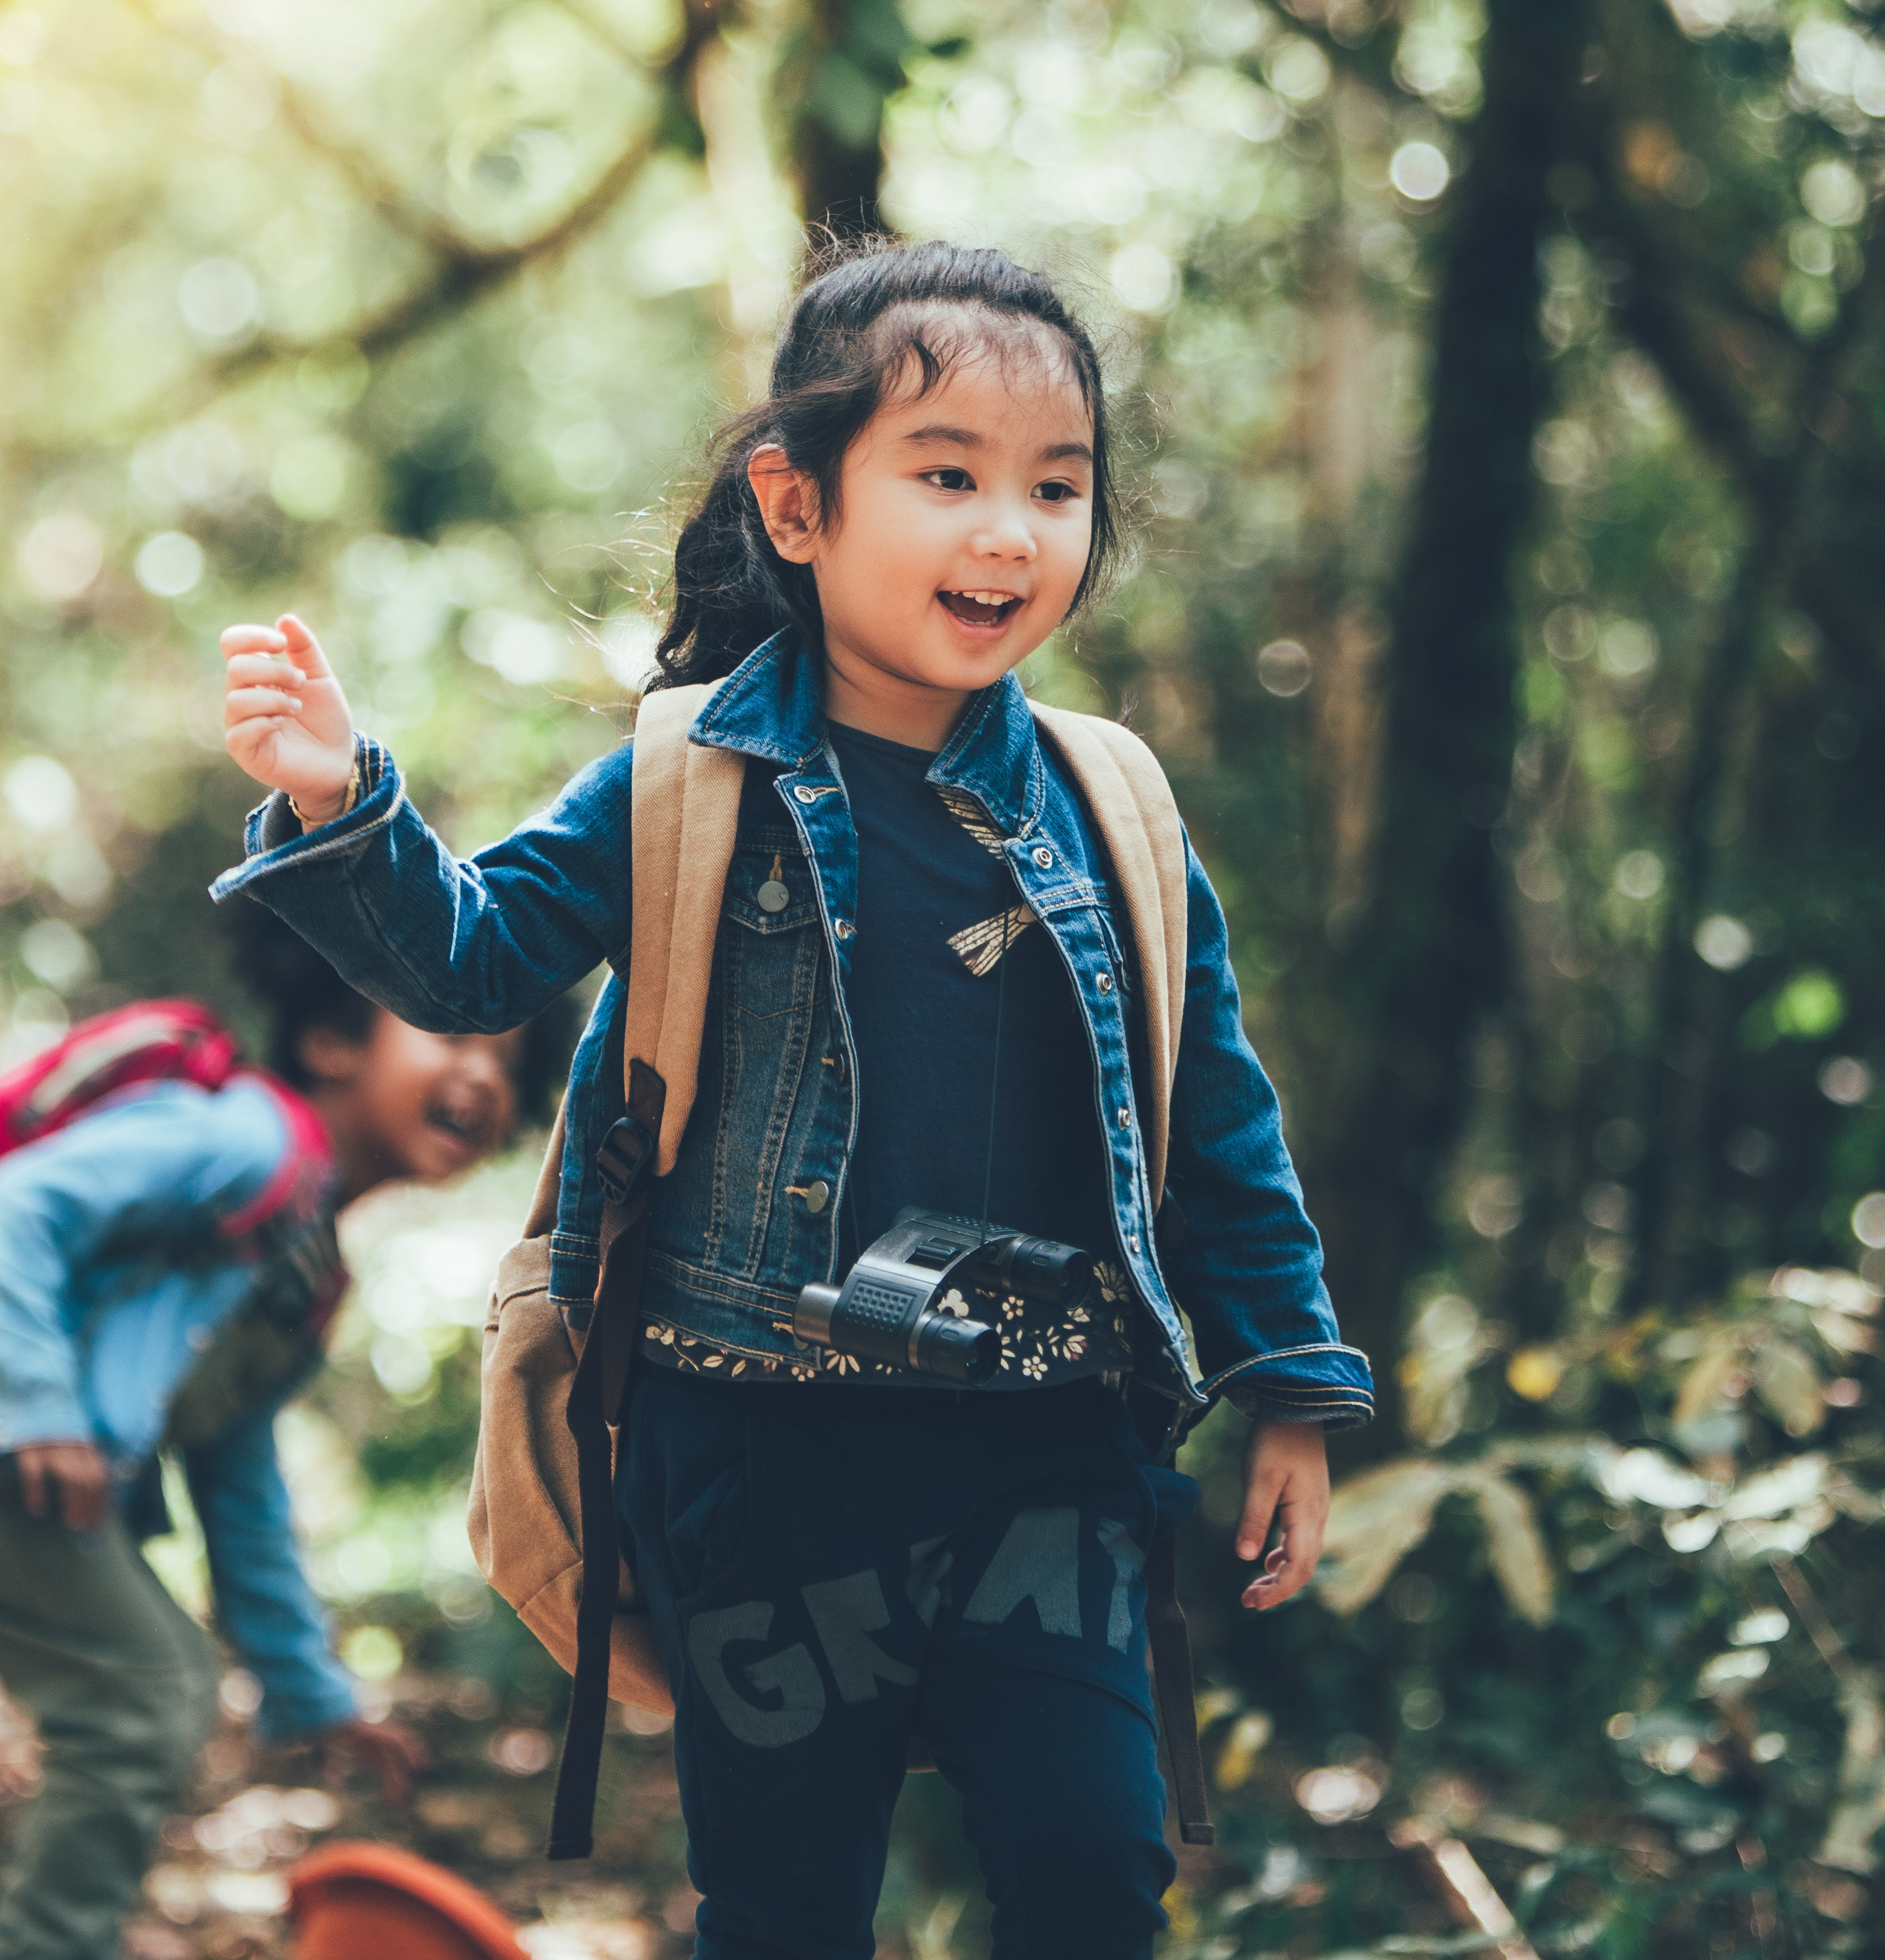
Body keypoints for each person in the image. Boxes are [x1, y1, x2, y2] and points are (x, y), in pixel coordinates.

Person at [208, 240, 1372, 1959]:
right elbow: (474, 963)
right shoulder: (687, 782)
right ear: (798, 504)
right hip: (762, 1454)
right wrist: (338, 805)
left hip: (1049, 1456)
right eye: (950, 474)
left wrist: (1291, 1389)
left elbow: (1218, 1121)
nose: (1010, 531)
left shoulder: (1110, 803)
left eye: (1059, 487)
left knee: (1093, 1873)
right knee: (785, 1903)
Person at [0, 905, 542, 1960]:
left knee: (143, 1691)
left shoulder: (304, 1265)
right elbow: (25, 1201)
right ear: (334, 1040)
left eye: (506, 1060)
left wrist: (308, 1690)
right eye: (451, 1033)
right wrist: (39, 1404)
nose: (482, 1074)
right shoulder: (245, 1138)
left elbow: (236, 1478)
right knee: (143, 1691)